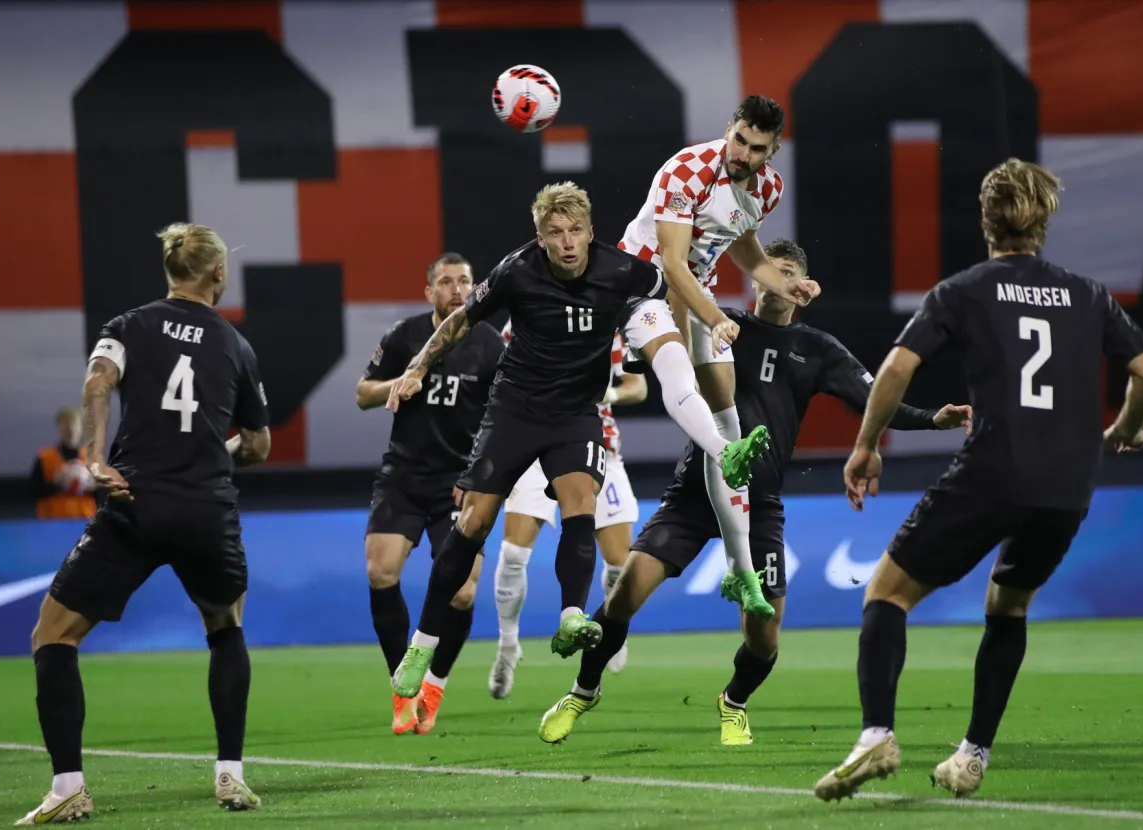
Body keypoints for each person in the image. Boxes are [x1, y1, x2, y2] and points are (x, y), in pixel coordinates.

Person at [815, 159, 1143, 802]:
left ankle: (877, 735)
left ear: (986, 221)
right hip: (1068, 485)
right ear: (1044, 222)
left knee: (887, 594)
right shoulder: (1088, 294)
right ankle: (972, 755)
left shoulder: (965, 290)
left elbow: (895, 368)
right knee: (1009, 606)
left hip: (994, 468)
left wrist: (866, 445)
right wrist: (1125, 430)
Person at [536, 238, 972, 745]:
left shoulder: (817, 350)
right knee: (625, 595)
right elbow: (662, 339)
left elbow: (873, 397)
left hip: (759, 506)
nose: (775, 281)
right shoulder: (720, 324)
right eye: (768, 271)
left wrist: (930, 420)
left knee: (764, 638)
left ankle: (734, 701)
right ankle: (583, 691)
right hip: (695, 493)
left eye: (787, 273)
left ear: (802, 289)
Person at [386, 182, 772, 701]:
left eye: (575, 232)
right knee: (474, 521)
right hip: (516, 409)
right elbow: (461, 320)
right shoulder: (516, 271)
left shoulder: (623, 270)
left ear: (591, 232)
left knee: (580, 502)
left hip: (576, 416)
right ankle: (422, 642)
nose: (567, 243)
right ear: (540, 238)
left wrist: (704, 331)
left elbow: (676, 283)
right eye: (554, 233)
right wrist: (417, 365)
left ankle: (571, 616)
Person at [16, 223, 272, 824]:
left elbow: (97, 382)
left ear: (170, 272)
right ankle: (230, 776)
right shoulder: (236, 346)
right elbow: (258, 443)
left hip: (136, 500)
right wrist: (218, 453)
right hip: (207, 508)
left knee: (53, 636)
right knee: (225, 627)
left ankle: (69, 787)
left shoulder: (128, 325)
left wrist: (95, 457)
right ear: (217, 273)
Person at [618, 94, 821, 619]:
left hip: (696, 292)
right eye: (739, 140)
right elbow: (673, 263)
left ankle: (740, 571)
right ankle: (634, 357)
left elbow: (742, 243)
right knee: (679, 374)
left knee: (728, 427)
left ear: (772, 151)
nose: (743, 154)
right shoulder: (686, 170)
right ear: (728, 129)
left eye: (757, 148)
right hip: (643, 287)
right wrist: (714, 320)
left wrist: (784, 284)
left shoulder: (767, 188)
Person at [356, 252, 505, 734]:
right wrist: (397, 383)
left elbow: (504, 413)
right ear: (429, 292)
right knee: (381, 571)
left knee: (462, 593)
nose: (457, 289)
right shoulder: (405, 336)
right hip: (404, 476)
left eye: (464, 280)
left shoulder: (489, 344)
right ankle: (402, 685)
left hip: (460, 485)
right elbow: (363, 393)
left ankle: (434, 682)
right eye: (446, 282)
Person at [489, 325, 646, 698]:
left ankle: (612, 626)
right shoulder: (523, 322)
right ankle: (508, 646)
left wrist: (605, 392)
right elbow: (496, 379)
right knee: (513, 553)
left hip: (597, 445)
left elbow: (637, 387)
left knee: (620, 564)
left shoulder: (606, 324)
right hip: (534, 444)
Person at [30, 407, 97, 519]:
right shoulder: (45, 458)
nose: (70, 430)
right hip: (53, 523)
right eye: (65, 426)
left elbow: (105, 494)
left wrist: (93, 487)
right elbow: (33, 492)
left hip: (84, 522)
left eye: (74, 426)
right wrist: (55, 484)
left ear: (80, 429)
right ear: (59, 428)